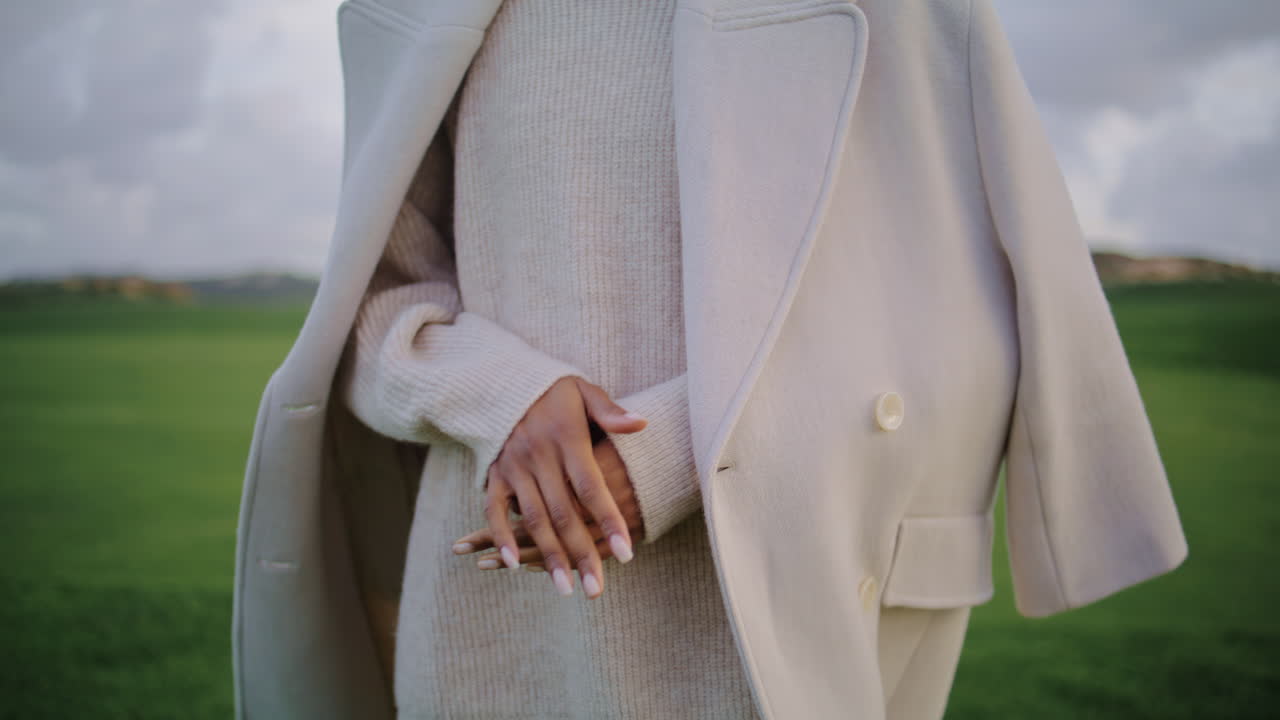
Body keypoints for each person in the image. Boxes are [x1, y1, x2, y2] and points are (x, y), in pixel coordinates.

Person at [232, 0, 1188, 718]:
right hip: (501, 619)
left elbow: (949, 305)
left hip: (774, 598)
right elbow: (377, 303)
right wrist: (503, 396)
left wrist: (665, 456)